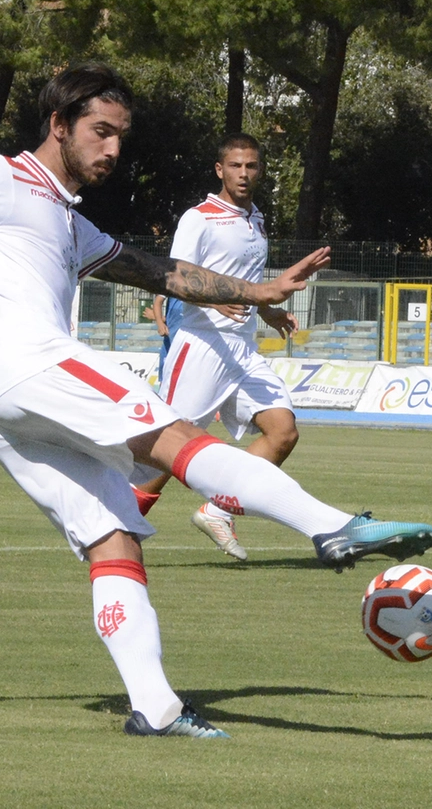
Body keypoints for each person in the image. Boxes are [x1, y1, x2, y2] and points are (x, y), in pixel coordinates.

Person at [0, 62, 432, 738]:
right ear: (59, 125)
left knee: (113, 536)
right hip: (35, 364)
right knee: (176, 436)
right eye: (100, 132)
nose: (113, 150)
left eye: (121, 136)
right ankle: (329, 526)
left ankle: (153, 708)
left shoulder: (70, 225)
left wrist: (258, 292)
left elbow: (161, 273)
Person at [131, 133, 300, 561]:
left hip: (242, 350)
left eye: (252, 166)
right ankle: (117, 526)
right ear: (219, 170)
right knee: (165, 454)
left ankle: (219, 510)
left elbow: (250, 283)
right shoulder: (200, 217)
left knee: (283, 432)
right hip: (202, 345)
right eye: (236, 166)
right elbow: (174, 277)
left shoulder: (256, 219)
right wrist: (212, 294)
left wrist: (267, 313)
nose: (244, 173)